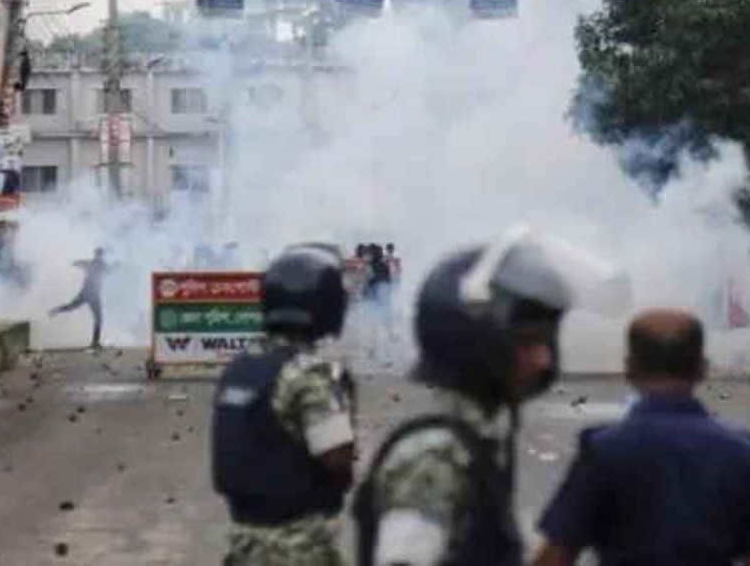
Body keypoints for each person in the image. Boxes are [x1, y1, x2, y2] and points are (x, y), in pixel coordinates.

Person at [353, 228, 578, 565]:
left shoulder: (475, 441)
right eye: (528, 342)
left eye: (546, 343)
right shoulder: (433, 456)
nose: (543, 360)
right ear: (475, 342)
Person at [532, 308, 750, 565]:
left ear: (630, 369)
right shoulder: (744, 453)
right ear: (701, 369)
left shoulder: (603, 449)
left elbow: (558, 554)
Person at [212, 243, 356, 566]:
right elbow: (337, 455)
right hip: (297, 548)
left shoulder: (241, 368)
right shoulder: (308, 373)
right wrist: (340, 391)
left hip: (244, 543)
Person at [50, 247, 110, 349]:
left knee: (73, 308)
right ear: (99, 255)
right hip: (91, 294)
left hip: (89, 293)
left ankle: (56, 310)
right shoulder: (99, 264)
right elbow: (108, 270)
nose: (100, 257)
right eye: (99, 254)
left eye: (100, 255)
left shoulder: (92, 263)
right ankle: (95, 343)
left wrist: (76, 263)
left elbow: (78, 263)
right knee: (97, 318)